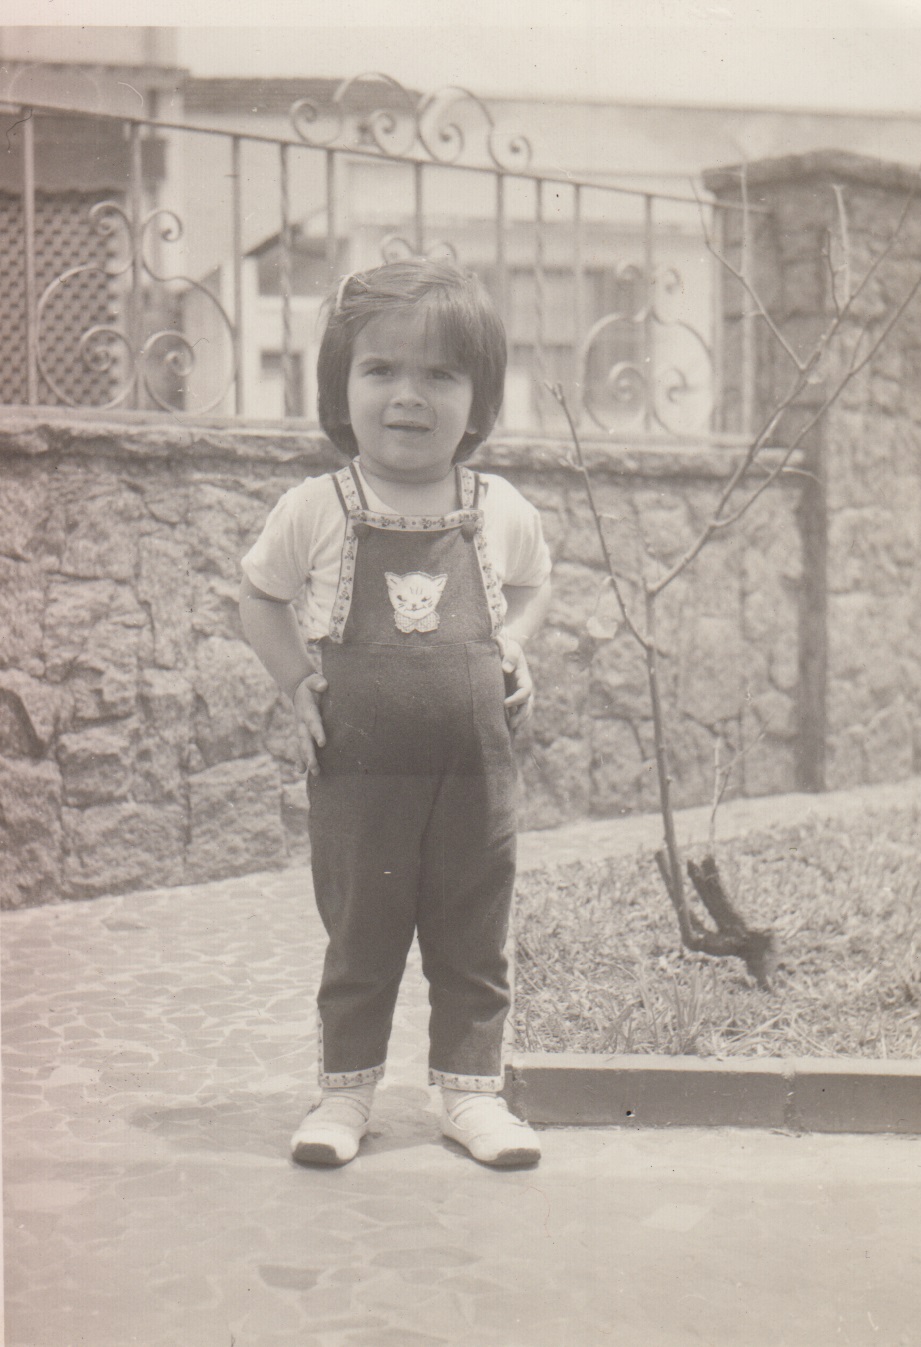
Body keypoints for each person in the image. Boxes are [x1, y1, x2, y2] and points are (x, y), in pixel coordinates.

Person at [239, 259, 552, 1168]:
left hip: (476, 773)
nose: (408, 396)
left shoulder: (497, 508)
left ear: (478, 396)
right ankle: (345, 1096)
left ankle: (470, 1096)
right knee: (362, 934)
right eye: (380, 371)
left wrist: (516, 645)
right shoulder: (316, 509)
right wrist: (296, 682)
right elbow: (259, 599)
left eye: (439, 375)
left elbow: (534, 585)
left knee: (471, 932)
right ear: (341, 387)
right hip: (360, 772)